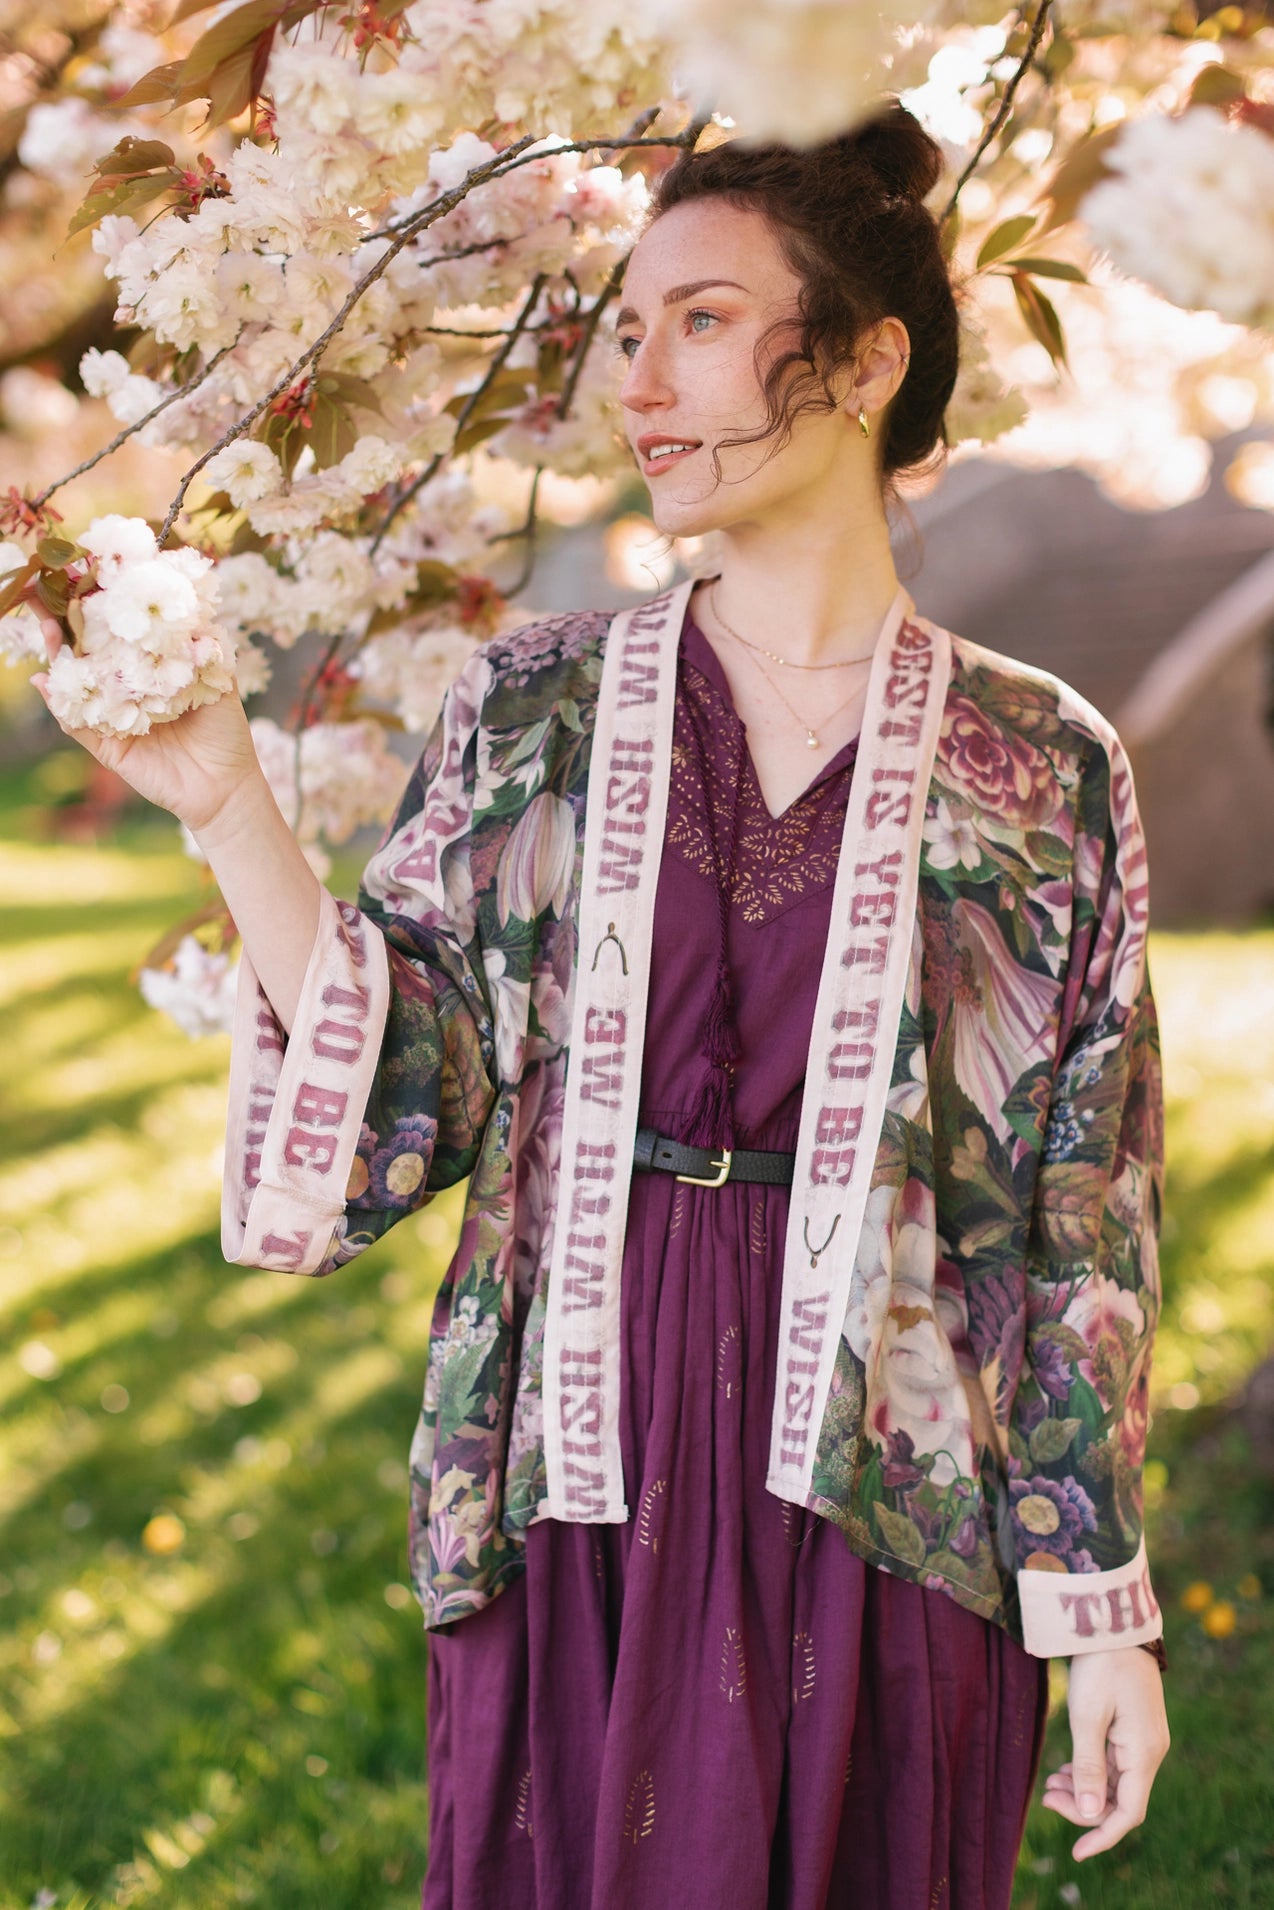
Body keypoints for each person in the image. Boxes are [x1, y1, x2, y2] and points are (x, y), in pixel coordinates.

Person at [34, 97, 1171, 1910]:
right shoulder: (536, 703)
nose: (640, 379)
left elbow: (1080, 1228)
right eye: (627, 329)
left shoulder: (1038, 759)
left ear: (869, 360)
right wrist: (230, 806)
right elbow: (415, 1081)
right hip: (582, 1459)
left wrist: (1101, 1609)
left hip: (891, 1478)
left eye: (702, 320)